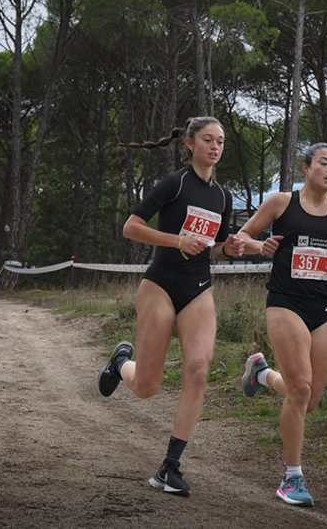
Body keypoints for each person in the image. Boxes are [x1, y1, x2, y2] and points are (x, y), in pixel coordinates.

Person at [97, 117, 245, 497]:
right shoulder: (174, 184)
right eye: (208, 140)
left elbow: (215, 247)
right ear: (190, 144)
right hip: (160, 286)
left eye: (220, 141)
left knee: (198, 370)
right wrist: (176, 240)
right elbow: (131, 227)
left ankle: (170, 466)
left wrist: (228, 249)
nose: (215, 147)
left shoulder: (223, 196)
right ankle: (121, 364)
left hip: (198, 288)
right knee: (146, 387)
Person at [235, 143, 327, 508]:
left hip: (323, 308)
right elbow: (242, 236)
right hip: (286, 304)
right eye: (324, 163)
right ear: (306, 167)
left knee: (308, 398)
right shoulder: (281, 203)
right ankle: (292, 477)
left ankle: (261, 374)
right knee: (302, 388)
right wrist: (259, 247)